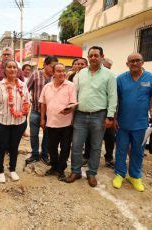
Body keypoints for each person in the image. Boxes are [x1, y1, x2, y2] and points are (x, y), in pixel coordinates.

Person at [67, 46, 117, 187]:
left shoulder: (109, 75)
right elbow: (73, 93)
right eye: (91, 55)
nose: (93, 58)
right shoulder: (80, 74)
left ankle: (92, 173)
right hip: (80, 116)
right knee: (76, 145)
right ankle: (75, 171)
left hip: (99, 116)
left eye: (96, 55)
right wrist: (71, 111)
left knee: (95, 146)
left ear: (102, 57)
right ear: (88, 57)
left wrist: (110, 116)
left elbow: (113, 97)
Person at [113, 53, 152, 192]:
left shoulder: (151, 78)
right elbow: (116, 100)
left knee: (138, 151)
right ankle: (119, 174)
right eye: (131, 61)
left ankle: (135, 177)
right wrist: (115, 118)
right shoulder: (121, 79)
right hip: (122, 123)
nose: (134, 63)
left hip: (141, 124)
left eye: (137, 61)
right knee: (121, 150)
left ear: (142, 62)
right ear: (127, 64)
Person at [0, 60, 30, 183]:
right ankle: (0, 171)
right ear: (5, 70)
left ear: (18, 70)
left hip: (19, 122)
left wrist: (25, 122)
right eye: (9, 67)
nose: (12, 69)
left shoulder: (23, 85)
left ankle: (12, 169)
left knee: (14, 147)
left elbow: (27, 103)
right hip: (2, 122)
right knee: (1, 147)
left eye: (14, 67)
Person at [39, 63, 77, 181]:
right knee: (51, 147)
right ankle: (54, 167)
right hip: (51, 123)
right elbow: (43, 104)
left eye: (63, 71)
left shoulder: (70, 86)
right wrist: (42, 119)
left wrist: (70, 109)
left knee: (65, 148)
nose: (62, 73)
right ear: (53, 73)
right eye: (59, 71)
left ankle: (61, 169)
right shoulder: (47, 87)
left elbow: (73, 102)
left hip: (66, 124)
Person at [25, 56, 59, 165]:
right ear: (45, 65)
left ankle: (45, 155)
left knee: (47, 136)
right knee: (34, 135)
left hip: (50, 113)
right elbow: (26, 90)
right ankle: (35, 154)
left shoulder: (55, 78)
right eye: (52, 66)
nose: (53, 69)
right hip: (35, 111)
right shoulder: (35, 74)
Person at [83, 57, 115, 168]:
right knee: (90, 136)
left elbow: (114, 97)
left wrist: (112, 116)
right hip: (96, 113)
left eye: (108, 68)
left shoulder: (111, 76)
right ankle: (86, 156)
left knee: (110, 137)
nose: (106, 70)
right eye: (105, 67)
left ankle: (108, 158)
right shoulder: (91, 75)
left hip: (108, 113)